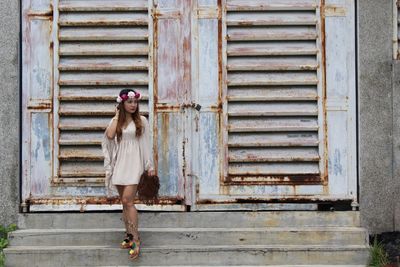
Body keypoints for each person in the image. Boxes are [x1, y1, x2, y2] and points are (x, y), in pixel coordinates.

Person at [102, 89, 154, 260]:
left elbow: (146, 144)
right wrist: (117, 115)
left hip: (134, 164)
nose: (133, 105)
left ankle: (136, 239)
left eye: (135, 102)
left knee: (128, 200)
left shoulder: (142, 121)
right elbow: (109, 136)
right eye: (129, 102)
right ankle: (128, 235)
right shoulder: (117, 121)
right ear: (122, 104)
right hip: (120, 164)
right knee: (124, 203)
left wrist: (149, 166)